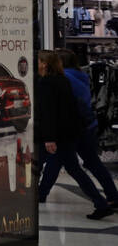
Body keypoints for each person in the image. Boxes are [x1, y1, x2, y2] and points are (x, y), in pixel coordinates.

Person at [37, 50, 108, 218]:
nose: (37, 63)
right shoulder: (62, 80)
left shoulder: (47, 83)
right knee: (74, 168)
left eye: (39, 60)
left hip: (59, 135)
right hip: (70, 132)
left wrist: (49, 138)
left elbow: (49, 113)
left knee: (74, 169)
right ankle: (100, 203)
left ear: (45, 64)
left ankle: (101, 202)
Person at [61, 49, 118, 219]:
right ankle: (113, 196)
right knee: (93, 163)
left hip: (73, 128)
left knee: (73, 167)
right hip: (88, 125)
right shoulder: (81, 76)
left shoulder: (64, 79)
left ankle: (100, 202)